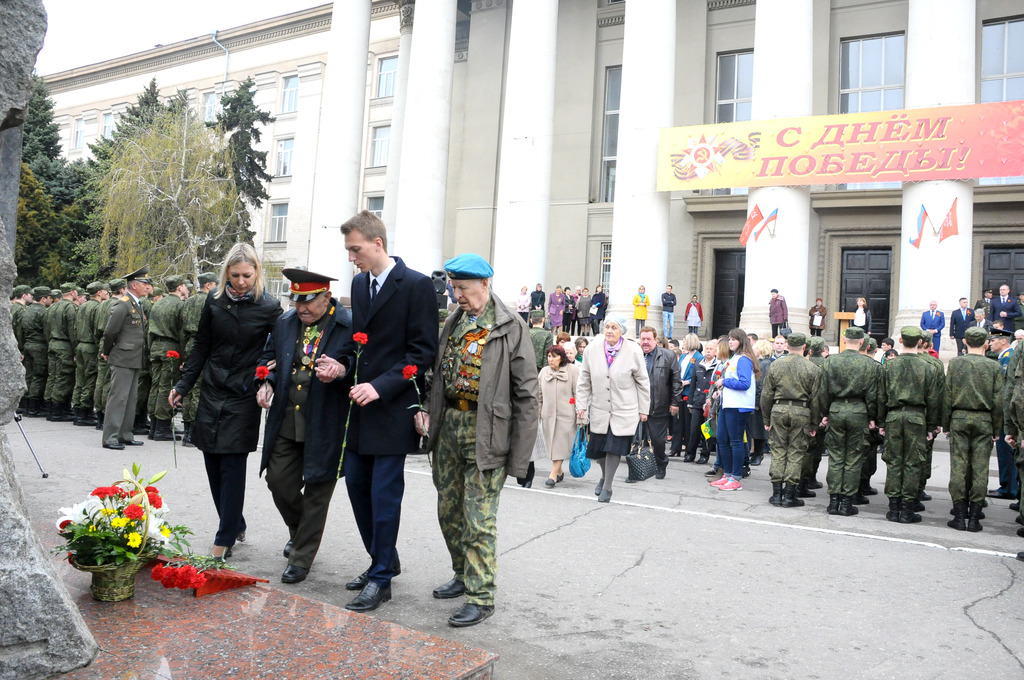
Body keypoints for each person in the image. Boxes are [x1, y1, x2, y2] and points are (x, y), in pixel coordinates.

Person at [316, 211, 438, 613]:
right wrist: (339, 366)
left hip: (391, 408)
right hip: (358, 408)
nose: (352, 257)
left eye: (356, 249)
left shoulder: (416, 285)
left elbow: (421, 355)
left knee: (384, 497)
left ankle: (382, 578)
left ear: (377, 243)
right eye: (349, 250)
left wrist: (380, 386)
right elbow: (358, 346)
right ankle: (383, 559)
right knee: (357, 492)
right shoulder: (359, 284)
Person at [416, 253, 537, 628]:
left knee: (478, 518)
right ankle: (462, 573)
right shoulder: (454, 321)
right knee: (448, 510)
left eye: (463, 289)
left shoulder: (509, 326)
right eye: (453, 289)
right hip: (449, 426)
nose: (457, 296)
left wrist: (520, 458)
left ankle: (481, 596)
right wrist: (425, 409)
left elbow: (528, 395)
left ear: (485, 285)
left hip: (487, 431)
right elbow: (437, 375)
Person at [169, 245, 283, 559]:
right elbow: (202, 345)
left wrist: (268, 378)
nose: (241, 281)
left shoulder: (270, 307)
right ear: (226, 274)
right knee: (213, 463)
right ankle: (235, 521)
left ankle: (224, 538)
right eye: (235, 276)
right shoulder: (215, 301)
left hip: (244, 394)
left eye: (247, 275)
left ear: (257, 272)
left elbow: (280, 350)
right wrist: (183, 384)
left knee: (232, 464)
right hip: (212, 390)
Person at [256, 269, 352, 584]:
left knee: (317, 491)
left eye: (309, 302)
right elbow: (269, 359)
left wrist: (342, 370)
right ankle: (301, 531)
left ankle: (301, 557)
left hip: (326, 422)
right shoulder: (285, 323)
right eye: (297, 301)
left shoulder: (347, 325)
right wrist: (266, 382)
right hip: (286, 419)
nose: (301, 309)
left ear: (327, 297)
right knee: (279, 481)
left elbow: (362, 364)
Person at [576, 315, 650, 503]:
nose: (609, 331)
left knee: (614, 448)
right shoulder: (592, 349)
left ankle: (607, 487)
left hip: (624, 409)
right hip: (600, 408)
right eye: (607, 327)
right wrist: (581, 405)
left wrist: (644, 409)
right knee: (599, 450)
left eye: (614, 327)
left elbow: (643, 382)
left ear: (622, 331)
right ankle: (604, 476)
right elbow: (584, 380)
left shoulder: (633, 350)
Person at [878, 327, 943, 523]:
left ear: (900, 340)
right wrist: (932, 426)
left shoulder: (888, 366)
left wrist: (881, 421)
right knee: (913, 463)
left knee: (894, 461)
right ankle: (907, 508)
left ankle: (894, 506)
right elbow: (933, 400)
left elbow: (881, 396)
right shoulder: (928, 368)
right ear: (921, 343)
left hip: (894, 416)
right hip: (917, 418)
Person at [944, 326, 1003, 532]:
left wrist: (946, 422)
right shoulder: (993, 366)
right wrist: (997, 428)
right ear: (986, 344)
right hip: (984, 419)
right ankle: (975, 518)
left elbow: (948, 395)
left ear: (965, 343)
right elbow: (998, 400)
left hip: (960, 417)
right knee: (980, 468)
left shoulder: (956, 363)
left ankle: (959, 515)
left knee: (959, 466)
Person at [819, 327, 879, 516]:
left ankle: (833, 500)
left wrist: (825, 412)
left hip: (836, 409)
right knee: (853, 458)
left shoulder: (831, 361)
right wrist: (872, 416)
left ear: (844, 341)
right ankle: (846, 502)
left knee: (836, 457)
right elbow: (873, 395)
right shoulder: (869, 364)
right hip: (858, 411)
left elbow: (823, 391)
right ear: (862, 342)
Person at [761, 333, 820, 507]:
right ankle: (789, 495)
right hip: (801, 411)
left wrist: (766, 417)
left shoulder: (776, 365)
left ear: (787, 345)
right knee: (796, 452)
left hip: (778, 410)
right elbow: (816, 399)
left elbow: (766, 395)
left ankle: (776, 494)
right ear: (804, 347)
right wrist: (814, 423)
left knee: (778, 450)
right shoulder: (812, 368)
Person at [101, 267, 154, 450]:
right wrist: (107, 351)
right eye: (144, 284)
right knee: (119, 398)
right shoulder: (123, 304)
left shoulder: (136, 303)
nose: (147, 287)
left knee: (131, 398)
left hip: (134, 357)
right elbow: (110, 331)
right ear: (134, 285)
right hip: (122, 357)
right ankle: (110, 437)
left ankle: (125, 434)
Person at [709, 329, 760, 492]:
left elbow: (744, 384)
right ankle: (728, 474)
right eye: (729, 339)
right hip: (728, 403)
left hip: (739, 405)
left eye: (734, 339)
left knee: (736, 441)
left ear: (741, 341)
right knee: (722, 439)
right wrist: (722, 390)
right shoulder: (735, 358)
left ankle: (736, 478)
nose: (730, 342)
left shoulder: (744, 359)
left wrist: (725, 381)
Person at [637, 327, 682, 480]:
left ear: (655, 340)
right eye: (643, 339)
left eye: (648, 339)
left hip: (659, 406)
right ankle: (636, 468)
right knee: (636, 439)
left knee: (657, 440)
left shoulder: (668, 356)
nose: (645, 342)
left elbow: (676, 381)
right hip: (637, 405)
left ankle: (661, 464)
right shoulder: (635, 355)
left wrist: (675, 402)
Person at [148, 276, 189, 441]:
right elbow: (182, 333)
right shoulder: (179, 305)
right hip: (170, 348)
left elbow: (149, 331)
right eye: (185, 286)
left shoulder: (157, 303)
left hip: (155, 347)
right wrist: (184, 356)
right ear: (179, 287)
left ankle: (154, 426)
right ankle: (163, 427)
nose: (186, 288)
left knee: (156, 385)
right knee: (167, 387)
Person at [180, 272, 219, 447]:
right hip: (204, 345)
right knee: (199, 388)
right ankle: (193, 432)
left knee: (188, 387)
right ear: (209, 285)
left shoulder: (188, 301)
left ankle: (186, 427)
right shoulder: (210, 300)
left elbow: (181, 328)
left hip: (189, 344)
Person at [538, 344, 579, 487]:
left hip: (566, 415)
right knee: (552, 445)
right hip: (548, 415)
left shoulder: (573, 370)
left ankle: (553, 474)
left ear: (561, 358)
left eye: (554, 356)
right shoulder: (543, 372)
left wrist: (579, 413)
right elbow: (539, 395)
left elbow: (578, 394)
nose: (551, 359)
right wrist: (538, 413)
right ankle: (560, 471)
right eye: (549, 356)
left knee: (560, 445)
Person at [71, 282, 108, 426]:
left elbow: (75, 327)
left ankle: (78, 409)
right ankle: (85, 411)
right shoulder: (97, 307)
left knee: (80, 378)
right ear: (99, 293)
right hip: (91, 346)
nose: (107, 293)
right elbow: (97, 329)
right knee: (90, 379)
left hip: (80, 345)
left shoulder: (83, 306)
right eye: (105, 291)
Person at [91, 279, 125, 430]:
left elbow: (95, 327)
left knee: (101, 379)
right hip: (112, 344)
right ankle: (106, 414)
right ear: (122, 290)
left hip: (102, 342)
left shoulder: (102, 304)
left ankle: (99, 414)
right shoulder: (119, 304)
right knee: (109, 382)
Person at [987, 327, 1017, 501]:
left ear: (1003, 341)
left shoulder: (1008, 358)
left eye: (993, 340)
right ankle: (1007, 485)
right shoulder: (1003, 357)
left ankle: (1009, 488)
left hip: (1006, 413)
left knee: (1007, 452)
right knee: (1003, 451)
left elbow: (1005, 390)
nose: (990, 343)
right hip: (1004, 413)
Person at [45, 283, 80, 422]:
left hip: (53, 342)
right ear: (72, 293)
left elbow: (46, 328)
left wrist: (50, 342)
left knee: (52, 375)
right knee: (63, 377)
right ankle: (59, 410)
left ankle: (50, 407)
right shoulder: (70, 307)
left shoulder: (52, 306)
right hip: (64, 345)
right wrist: (75, 349)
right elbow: (72, 331)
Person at [20, 286, 53, 417]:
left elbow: (20, 330)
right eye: (50, 298)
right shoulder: (43, 312)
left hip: (28, 345)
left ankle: (27, 405)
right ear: (43, 298)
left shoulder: (26, 310)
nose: (51, 300)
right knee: (39, 376)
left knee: (29, 375)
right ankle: (34, 408)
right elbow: (46, 332)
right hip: (39, 347)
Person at [673, 334, 701, 459]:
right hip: (679, 391)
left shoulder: (698, 357)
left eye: (684, 341)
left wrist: (687, 381)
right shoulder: (683, 356)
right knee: (677, 422)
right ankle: (675, 448)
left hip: (689, 391)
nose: (683, 343)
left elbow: (697, 376)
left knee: (688, 423)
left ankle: (688, 449)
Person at [748, 339, 773, 466]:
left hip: (759, 402)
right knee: (755, 429)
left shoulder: (764, 364)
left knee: (759, 430)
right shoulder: (759, 363)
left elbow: (761, 385)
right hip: (757, 400)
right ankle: (755, 453)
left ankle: (758, 454)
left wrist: (757, 402)